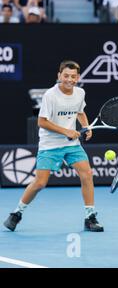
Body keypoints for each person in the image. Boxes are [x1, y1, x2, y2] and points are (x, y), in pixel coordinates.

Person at [3, 61, 104, 232]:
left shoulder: (80, 93)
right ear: (59, 76)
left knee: (87, 174)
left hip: (72, 145)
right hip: (49, 145)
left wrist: (86, 126)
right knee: (40, 183)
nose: (69, 79)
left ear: (78, 77)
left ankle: (90, 217)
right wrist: (66, 131)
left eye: (73, 76)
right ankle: (16, 214)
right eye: (66, 76)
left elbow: (80, 112)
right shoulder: (50, 95)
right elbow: (42, 122)